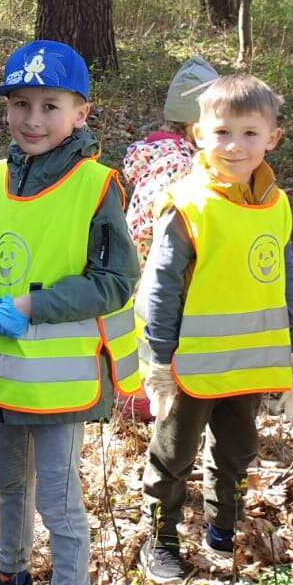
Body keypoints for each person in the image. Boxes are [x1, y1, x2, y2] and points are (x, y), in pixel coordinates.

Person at [0, 39, 142, 585]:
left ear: (81, 113)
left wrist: (31, 307)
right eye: (20, 104)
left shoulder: (95, 185)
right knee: (9, 486)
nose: (32, 119)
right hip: (1, 375)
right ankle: (10, 574)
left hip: (59, 382)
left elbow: (115, 281)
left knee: (58, 502)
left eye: (50, 106)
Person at [136, 75, 293, 582]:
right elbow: (162, 285)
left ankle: (222, 528)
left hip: (248, 364)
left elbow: (285, 279)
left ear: (272, 138)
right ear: (198, 135)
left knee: (237, 452)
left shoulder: (276, 204)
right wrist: (160, 359)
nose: (235, 145)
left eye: (250, 133)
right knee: (173, 455)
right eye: (222, 132)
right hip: (188, 366)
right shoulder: (188, 203)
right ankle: (160, 539)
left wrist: (292, 348)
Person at [116, 58, 219, 423]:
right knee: (153, 334)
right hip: (156, 267)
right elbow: (157, 221)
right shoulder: (180, 165)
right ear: (196, 126)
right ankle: (143, 401)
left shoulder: (158, 154)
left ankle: (138, 395)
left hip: (141, 266)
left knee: (141, 333)